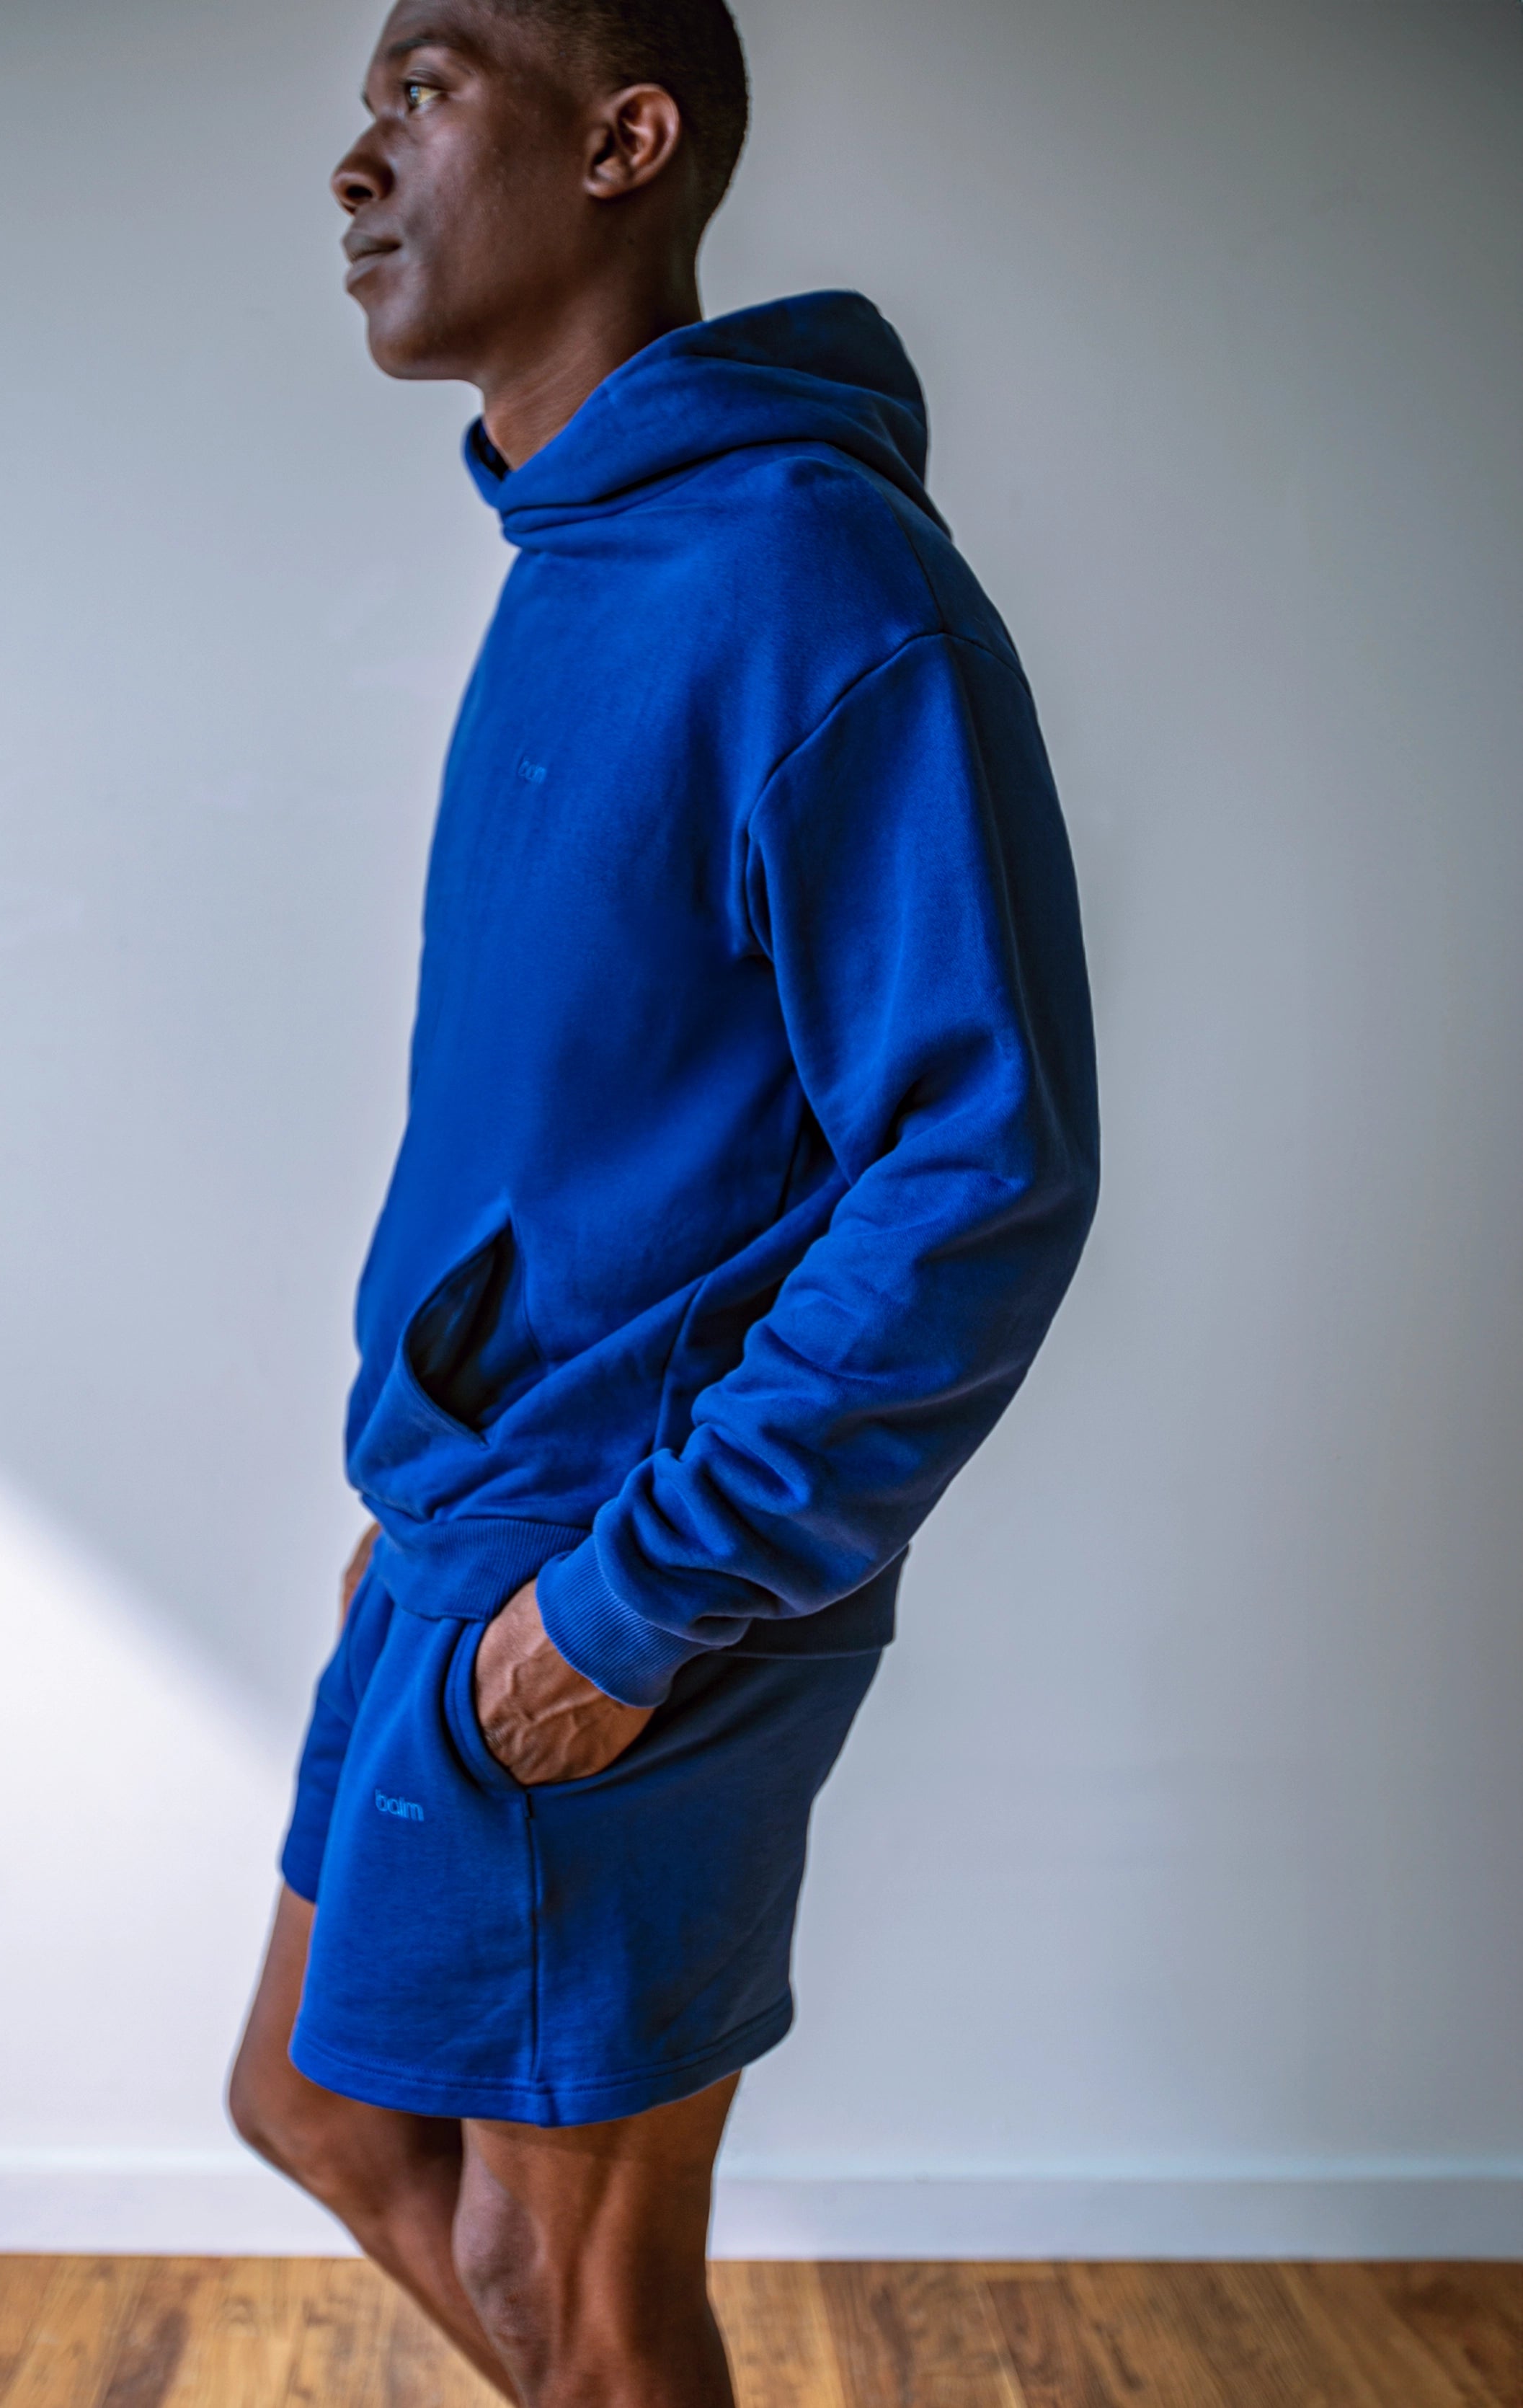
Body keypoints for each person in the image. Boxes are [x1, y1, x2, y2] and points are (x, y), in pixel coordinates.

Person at [228, 0, 1099, 2396]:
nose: (357, 160)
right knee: (312, 2104)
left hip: (627, 1565)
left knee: (573, 2289)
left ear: (626, 140)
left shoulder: (809, 574)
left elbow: (981, 1167)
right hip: (474, 1516)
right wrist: (427, 1484)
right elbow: (605, 1117)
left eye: (426, 90)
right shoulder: (586, 552)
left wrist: (631, 1596)